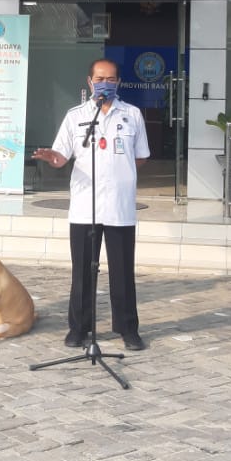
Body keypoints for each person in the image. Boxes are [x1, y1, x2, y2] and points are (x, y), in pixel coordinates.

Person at [32, 59, 150, 351]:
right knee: (83, 272)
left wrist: (118, 172)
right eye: (99, 79)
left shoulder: (132, 114)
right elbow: (61, 156)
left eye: (111, 79)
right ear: (89, 81)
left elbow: (140, 156)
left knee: (123, 272)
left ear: (118, 82)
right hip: (85, 206)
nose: (105, 84)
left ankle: (127, 329)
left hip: (120, 206)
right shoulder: (76, 116)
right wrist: (52, 158)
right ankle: (79, 328)